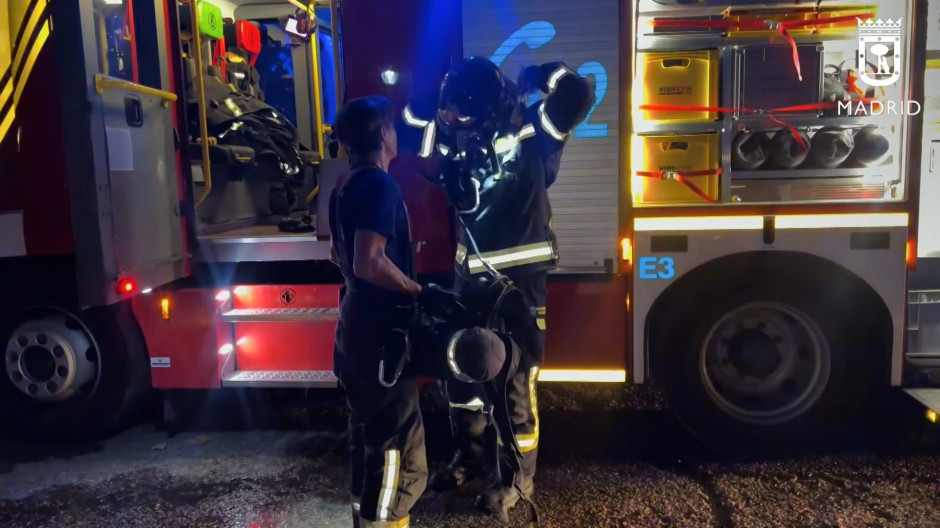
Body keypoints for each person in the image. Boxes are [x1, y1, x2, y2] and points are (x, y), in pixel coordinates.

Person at [399, 57, 594, 518]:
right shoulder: (461, 134)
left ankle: (515, 481)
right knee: (460, 378)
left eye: (462, 115)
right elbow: (409, 125)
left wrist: (541, 73)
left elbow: (578, 93)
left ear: (489, 109)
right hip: (469, 282)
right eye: (453, 117)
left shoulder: (535, 130)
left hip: (520, 289)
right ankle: (470, 458)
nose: (454, 124)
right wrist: (441, 95)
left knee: (514, 386)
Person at [328, 96, 427, 528]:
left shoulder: (345, 183)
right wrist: (414, 289)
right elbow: (368, 261)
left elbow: (339, 252)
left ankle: (365, 520)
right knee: (396, 451)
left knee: (366, 441)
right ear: (384, 134)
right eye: (392, 126)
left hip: (354, 331)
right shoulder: (381, 186)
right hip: (381, 339)